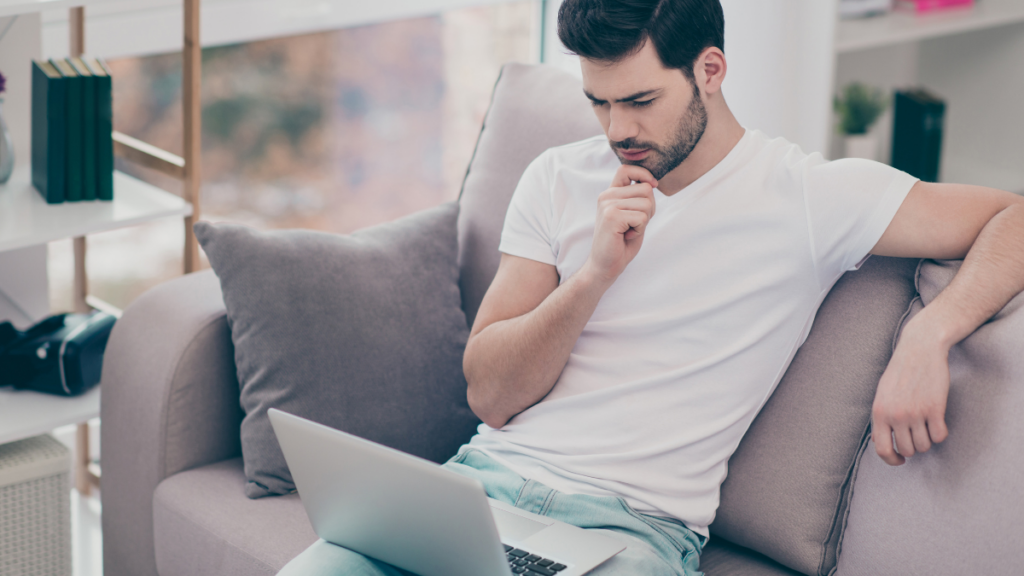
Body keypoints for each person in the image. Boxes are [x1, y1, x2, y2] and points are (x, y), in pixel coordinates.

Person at [279, 1, 1024, 574]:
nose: (616, 130)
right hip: (480, 490)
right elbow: (490, 396)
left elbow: (1012, 217)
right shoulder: (558, 178)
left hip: (634, 534)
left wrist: (930, 332)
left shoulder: (804, 196)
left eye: (639, 101)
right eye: (598, 102)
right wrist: (596, 274)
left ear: (710, 70)